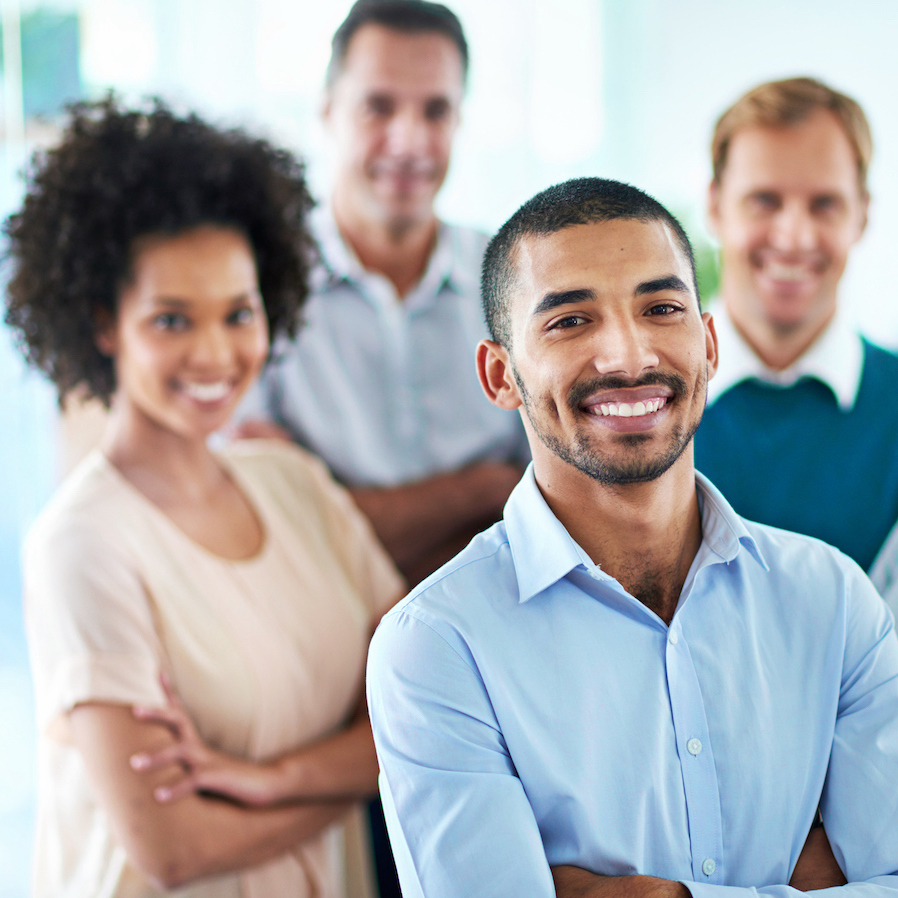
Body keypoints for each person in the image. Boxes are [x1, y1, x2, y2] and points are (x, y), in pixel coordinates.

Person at [366, 177, 898, 898]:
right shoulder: (436, 645)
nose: (626, 355)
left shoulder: (835, 602)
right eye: (570, 322)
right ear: (501, 375)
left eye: (661, 309)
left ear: (707, 344)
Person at [7, 96, 404, 898]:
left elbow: (422, 707)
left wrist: (274, 779)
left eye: (238, 313)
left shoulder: (296, 485)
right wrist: (359, 775)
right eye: (171, 320)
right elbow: (173, 847)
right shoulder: (83, 543)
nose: (216, 353)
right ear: (104, 324)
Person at [235, 0, 527, 587]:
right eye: (379, 107)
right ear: (326, 113)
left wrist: (349, 511)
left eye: (436, 110)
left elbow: (563, 504)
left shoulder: (519, 273)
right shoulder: (252, 287)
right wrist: (486, 489)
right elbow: (286, 528)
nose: (409, 141)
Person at [693, 76, 898, 572]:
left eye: (824, 204)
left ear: (863, 216)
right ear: (716, 205)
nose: (794, 236)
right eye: (765, 200)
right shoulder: (636, 394)